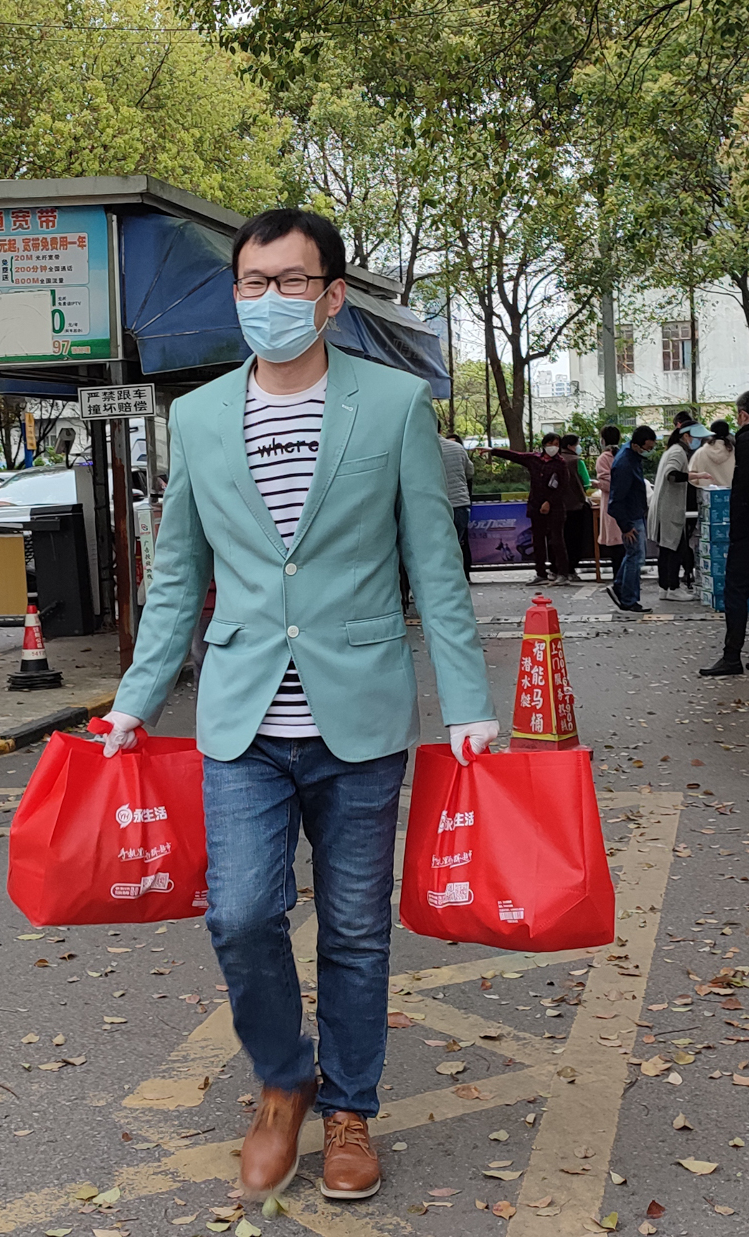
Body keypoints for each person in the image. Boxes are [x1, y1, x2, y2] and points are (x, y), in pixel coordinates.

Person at [97, 209, 498, 1201]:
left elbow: (433, 565)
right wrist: (136, 698)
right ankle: (283, 1082)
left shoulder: (393, 405)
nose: (268, 299)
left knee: (355, 930)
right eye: (252, 281)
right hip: (241, 719)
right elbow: (179, 573)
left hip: (359, 715)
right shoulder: (198, 417)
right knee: (240, 915)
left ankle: (350, 1107)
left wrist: (467, 702)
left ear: (330, 297)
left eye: (289, 282)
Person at [700, 391, 749, 676]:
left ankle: (732, 656)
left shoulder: (744, 441)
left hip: (745, 532)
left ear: (743, 415)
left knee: (736, 591)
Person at [478, 434, 568, 586]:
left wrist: (549, 502)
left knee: (557, 540)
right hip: (535, 505)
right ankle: (541, 573)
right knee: (537, 541)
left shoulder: (560, 464)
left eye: (556, 444)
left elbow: (563, 486)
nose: (553, 447)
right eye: (550, 444)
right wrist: (493, 451)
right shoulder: (534, 459)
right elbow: (515, 456)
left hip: (555, 507)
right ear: (544, 445)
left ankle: (562, 573)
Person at [648, 423, 713, 601]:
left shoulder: (672, 450)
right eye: (697, 438)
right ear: (686, 436)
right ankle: (673, 588)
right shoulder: (678, 452)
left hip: (665, 508)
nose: (698, 441)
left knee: (667, 550)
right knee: (674, 550)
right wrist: (697, 476)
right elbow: (672, 474)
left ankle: (665, 588)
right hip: (669, 509)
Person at [607, 425, 657, 612]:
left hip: (633, 513)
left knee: (634, 556)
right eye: (648, 448)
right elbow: (616, 499)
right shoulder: (625, 464)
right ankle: (628, 598)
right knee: (635, 557)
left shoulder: (630, 456)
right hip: (631, 516)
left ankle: (620, 587)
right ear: (637, 445)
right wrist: (626, 526)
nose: (649, 451)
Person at [437, 422, 474, 580]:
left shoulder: (421, 448)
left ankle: (442, 581)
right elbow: (470, 471)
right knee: (455, 545)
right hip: (460, 503)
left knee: (437, 548)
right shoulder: (457, 448)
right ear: (440, 429)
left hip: (437, 506)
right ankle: (457, 580)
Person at [560, 434, 591, 582]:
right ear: (570, 446)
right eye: (577, 444)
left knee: (561, 539)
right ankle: (571, 569)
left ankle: (559, 569)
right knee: (575, 540)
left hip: (558, 507)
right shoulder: (577, 461)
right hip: (576, 506)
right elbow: (586, 482)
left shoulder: (556, 460)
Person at [595, 425, 624, 577]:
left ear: (603, 440)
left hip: (612, 505)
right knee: (626, 546)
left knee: (616, 547)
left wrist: (598, 484)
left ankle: (618, 580)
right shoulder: (624, 455)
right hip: (627, 505)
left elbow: (607, 483)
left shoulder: (604, 458)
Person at [689, 419, 736, 489]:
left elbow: (692, 478)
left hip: (706, 493)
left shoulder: (700, 453)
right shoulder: (735, 453)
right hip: (730, 493)